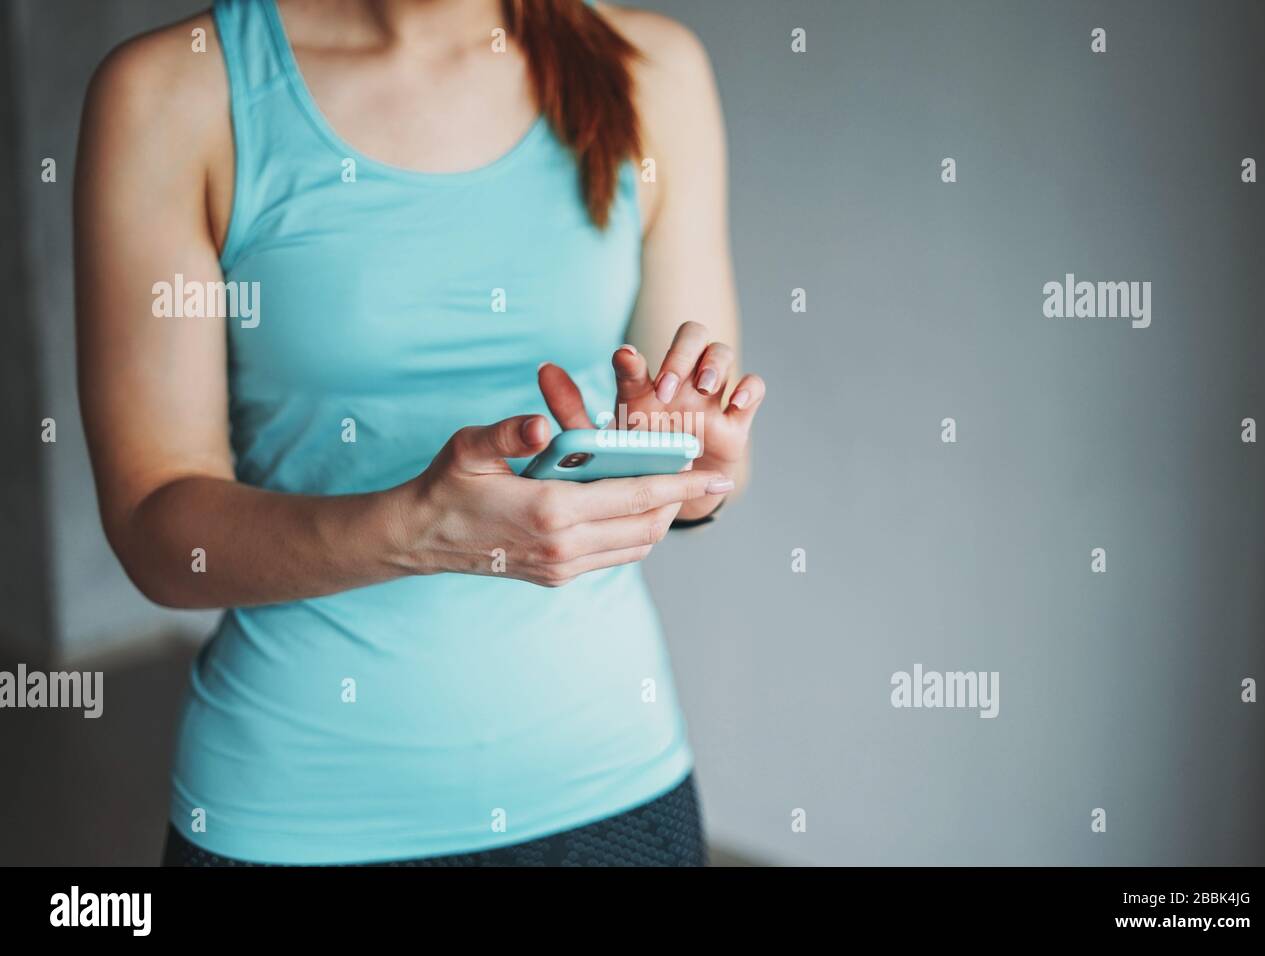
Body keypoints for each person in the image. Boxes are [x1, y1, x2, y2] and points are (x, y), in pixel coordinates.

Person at [75, 0, 763, 866]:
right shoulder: (174, 89)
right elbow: (155, 532)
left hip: (611, 785)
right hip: (299, 811)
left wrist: (697, 464)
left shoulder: (652, 69)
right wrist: (411, 531)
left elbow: (706, 466)